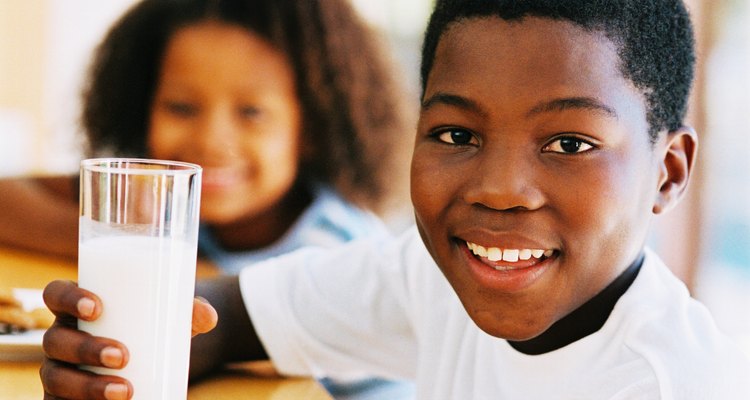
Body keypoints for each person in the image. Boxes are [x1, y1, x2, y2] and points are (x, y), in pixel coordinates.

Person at [39, 0, 750, 399]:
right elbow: (233, 316)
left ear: (668, 171)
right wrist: (121, 347)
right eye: (456, 132)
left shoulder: (672, 385)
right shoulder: (435, 278)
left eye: (569, 143)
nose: (498, 189)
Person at [6, 0, 416, 398]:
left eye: (251, 112)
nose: (211, 141)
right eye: (182, 107)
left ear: (312, 126)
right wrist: (113, 230)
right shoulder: (167, 205)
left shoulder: (339, 249)